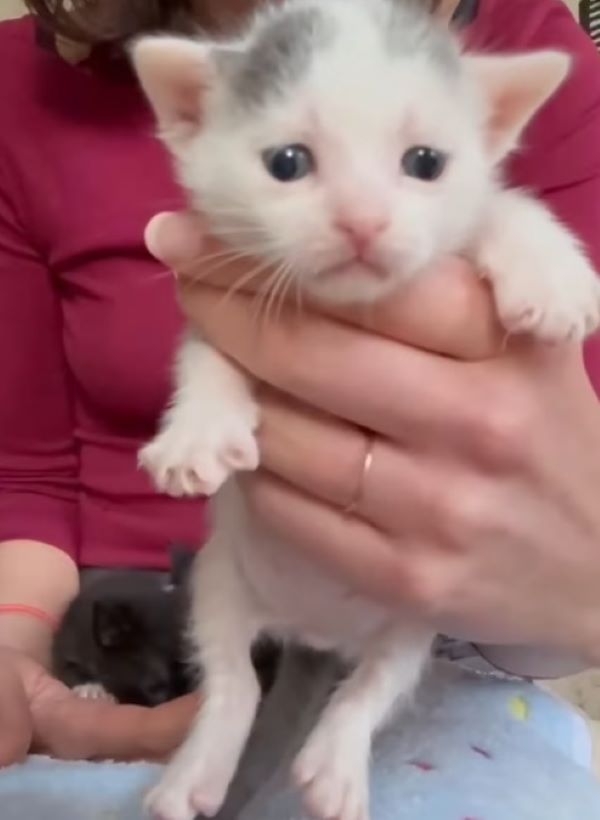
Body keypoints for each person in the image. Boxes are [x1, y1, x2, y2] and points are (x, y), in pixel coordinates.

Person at [0, 0, 600, 802]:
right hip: (129, 615)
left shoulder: (517, 44)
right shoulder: (31, 89)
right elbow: (27, 474)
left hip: (436, 628)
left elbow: (560, 526)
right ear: (188, 118)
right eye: (289, 162)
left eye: (419, 161)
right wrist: (17, 656)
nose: (361, 220)